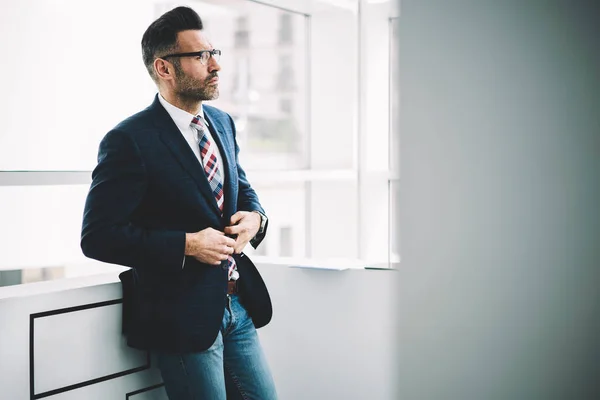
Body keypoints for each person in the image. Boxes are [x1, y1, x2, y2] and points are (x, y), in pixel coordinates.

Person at [80, 6, 277, 399]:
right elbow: (98, 236)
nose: (215, 65)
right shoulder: (129, 140)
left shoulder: (222, 122)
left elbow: (241, 186)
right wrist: (187, 244)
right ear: (165, 68)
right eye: (201, 56)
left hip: (237, 307)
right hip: (181, 316)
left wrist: (256, 219)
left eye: (214, 53)